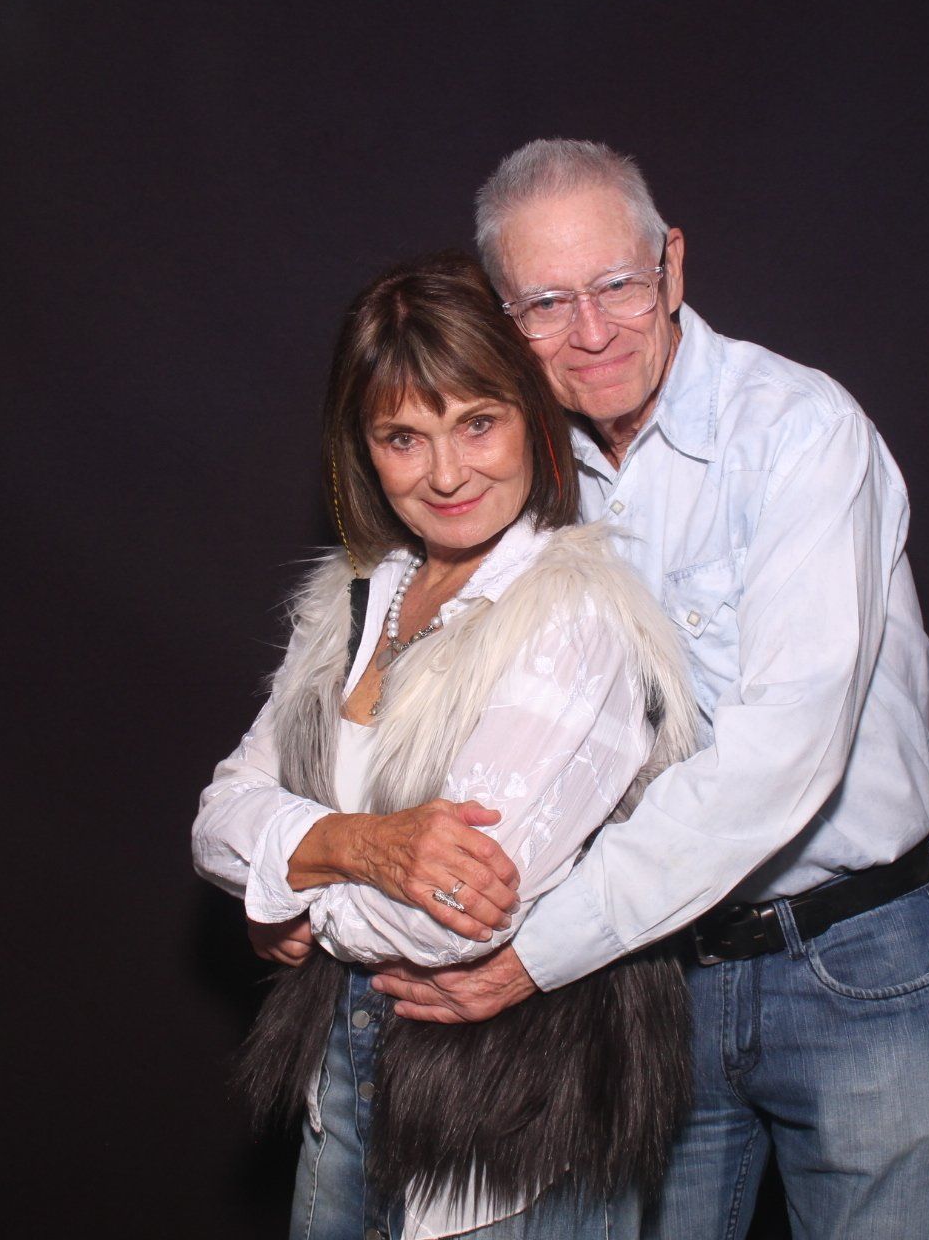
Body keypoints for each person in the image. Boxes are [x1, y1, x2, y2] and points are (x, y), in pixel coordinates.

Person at [370, 140, 929, 1239]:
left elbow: (783, 756)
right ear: (501, 315)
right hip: (645, 977)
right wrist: (310, 870)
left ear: (674, 266)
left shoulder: (798, 433)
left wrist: (532, 955)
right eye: (546, 304)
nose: (592, 332)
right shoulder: (515, 471)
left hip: (847, 959)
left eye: (618, 285)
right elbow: (421, 691)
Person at [193, 251, 701, 1240]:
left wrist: (281, 881)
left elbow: (455, 921)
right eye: (403, 437)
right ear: (362, 448)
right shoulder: (355, 598)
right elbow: (215, 818)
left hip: (507, 1126)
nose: (447, 472)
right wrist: (353, 844)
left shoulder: (573, 613)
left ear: (532, 416)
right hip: (338, 1087)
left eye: (477, 422)